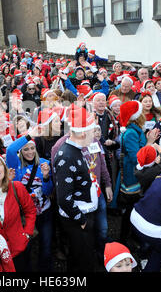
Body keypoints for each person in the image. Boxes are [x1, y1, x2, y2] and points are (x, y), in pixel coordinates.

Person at [53, 106, 99, 272]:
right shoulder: (67, 156)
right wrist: (82, 220)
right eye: (92, 131)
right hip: (77, 217)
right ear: (83, 133)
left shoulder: (75, 150)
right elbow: (64, 198)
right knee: (82, 260)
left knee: (81, 256)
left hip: (82, 213)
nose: (94, 135)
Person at [110, 100, 159, 246]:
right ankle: (124, 240)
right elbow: (136, 157)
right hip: (133, 177)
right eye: (141, 111)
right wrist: (149, 143)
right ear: (135, 115)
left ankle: (132, 236)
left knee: (135, 209)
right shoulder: (131, 133)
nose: (144, 113)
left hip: (137, 175)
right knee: (132, 210)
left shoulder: (135, 129)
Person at [6, 128, 54, 271]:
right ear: (20, 151)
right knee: (25, 248)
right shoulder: (15, 164)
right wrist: (29, 136)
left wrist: (46, 177)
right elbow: (10, 149)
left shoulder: (44, 163)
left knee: (46, 246)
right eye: (25, 149)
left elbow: (49, 191)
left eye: (32, 148)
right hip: (24, 214)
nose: (30, 152)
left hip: (44, 211)